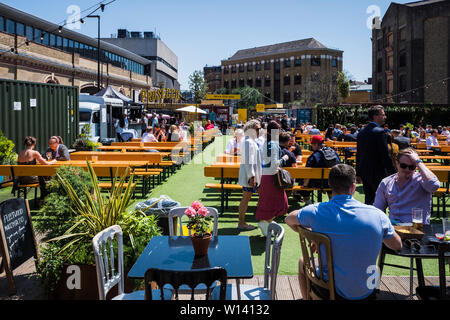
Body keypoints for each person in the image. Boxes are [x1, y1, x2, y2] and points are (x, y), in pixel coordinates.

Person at [285, 164, 402, 300]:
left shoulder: (316, 211)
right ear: (353, 187)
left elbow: (289, 219)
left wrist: (312, 236)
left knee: (302, 262)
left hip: (329, 292)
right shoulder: (378, 215)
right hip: (367, 292)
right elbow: (397, 245)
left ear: (330, 184)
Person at [373, 148, 440, 225]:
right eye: (403, 166)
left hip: (417, 229)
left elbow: (434, 185)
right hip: (395, 228)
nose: (407, 169)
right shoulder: (386, 182)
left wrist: (418, 161)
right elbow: (378, 209)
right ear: (397, 163)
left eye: (412, 167)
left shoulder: (422, 180)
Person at [356, 105, 396, 205]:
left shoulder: (361, 132)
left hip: (365, 172)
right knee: (381, 201)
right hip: (378, 173)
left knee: (369, 200)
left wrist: (358, 172)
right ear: (375, 116)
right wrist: (394, 173)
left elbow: (359, 154)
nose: (385, 117)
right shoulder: (380, 132)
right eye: (383, 115)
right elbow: (385, 155)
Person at [256, 121, 289, 236]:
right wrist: (284, 158)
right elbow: (275, 164)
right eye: (279, 130)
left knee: (268, 202)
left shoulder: (266, 142)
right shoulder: (274, 144)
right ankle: (264, 222)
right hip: (272, 178)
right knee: (280, 203)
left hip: (264, 176)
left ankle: (267, 222)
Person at [299, 135, 340, 205]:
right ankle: (332, 203)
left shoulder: (314, 156)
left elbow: (307, 172)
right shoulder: (333, 152)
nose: (311, 146)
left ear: (316, 144)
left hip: (316, 183)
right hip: (332, 183)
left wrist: (304, 185)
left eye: (312, 144)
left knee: (302, 184)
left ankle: (309, 203)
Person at [237, 120, 262, 231]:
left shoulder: (250, 141)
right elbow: (248, 161)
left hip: (253, 175)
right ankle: (241, 223)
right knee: (246, 199)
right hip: (250, 176)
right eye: (257, 129)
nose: (259, 131)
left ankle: (245, 222)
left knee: (247, 199)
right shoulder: (248, 142)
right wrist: (252, 177)